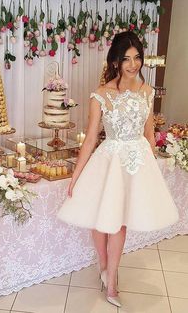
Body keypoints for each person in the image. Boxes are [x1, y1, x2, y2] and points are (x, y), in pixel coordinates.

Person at [57, 31, 179, 308]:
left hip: (136, 163)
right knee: (102, 220)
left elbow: (149, 135)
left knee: (120, 224)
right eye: (126, 59)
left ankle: (111, 280)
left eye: (137, 58)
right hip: (110, 159)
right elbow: (90, 139)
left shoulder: (147, 93)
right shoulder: (102, 94)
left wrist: (154, 171)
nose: (133, 64)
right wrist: (76, 176)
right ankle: (104, 266)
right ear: (115, 61)